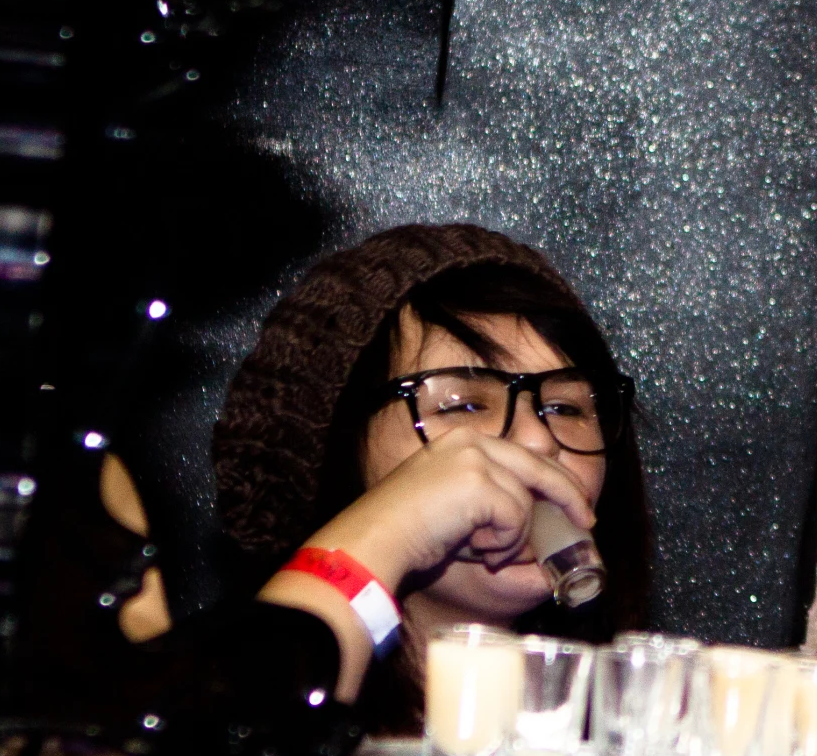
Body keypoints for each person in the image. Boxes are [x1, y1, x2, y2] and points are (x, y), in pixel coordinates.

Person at [213, 223, 651, 725]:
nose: (537, 440)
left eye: (567, 408)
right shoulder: (228, 684)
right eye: (463, 405)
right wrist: (383, 539)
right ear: (334, 447)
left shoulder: (642, 738)